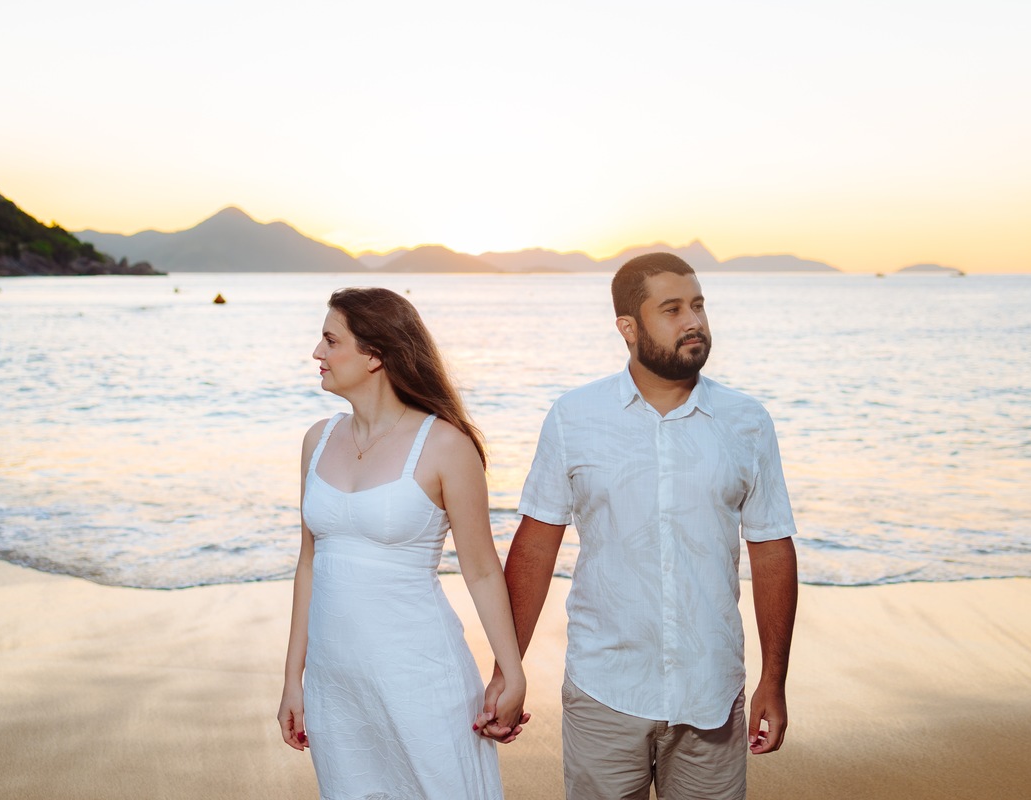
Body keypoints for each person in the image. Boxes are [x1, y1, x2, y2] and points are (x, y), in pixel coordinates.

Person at [481, 253, 799, 799]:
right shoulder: (574, 416)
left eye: (698, 305)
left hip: (712, 692)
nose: (693, 321)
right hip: (605, 689)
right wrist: (507, 671)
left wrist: (774, 679)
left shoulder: (746, 421)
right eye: (672, 309)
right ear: (628, 327)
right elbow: (535, 547)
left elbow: (771, 548)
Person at [277, 287, 529, 799]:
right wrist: (292, 679)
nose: (317, 353)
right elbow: (309, 565)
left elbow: (481, 571)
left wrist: (512, 672)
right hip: (337, 687)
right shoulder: (317, 439)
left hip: (420, 678)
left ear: (375, 355)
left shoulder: (444, 445)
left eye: (330, 340)